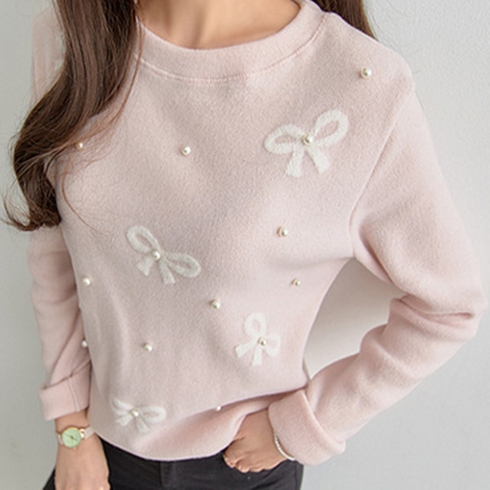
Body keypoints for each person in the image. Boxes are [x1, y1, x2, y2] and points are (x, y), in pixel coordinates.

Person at [3, 0, 487, 488]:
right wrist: (70, 424)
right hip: (98, 450)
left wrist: (304, 426)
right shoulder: (74, 34)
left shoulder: (360, 85)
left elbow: (450, 305)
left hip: (242, 464)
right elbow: (53, 244)